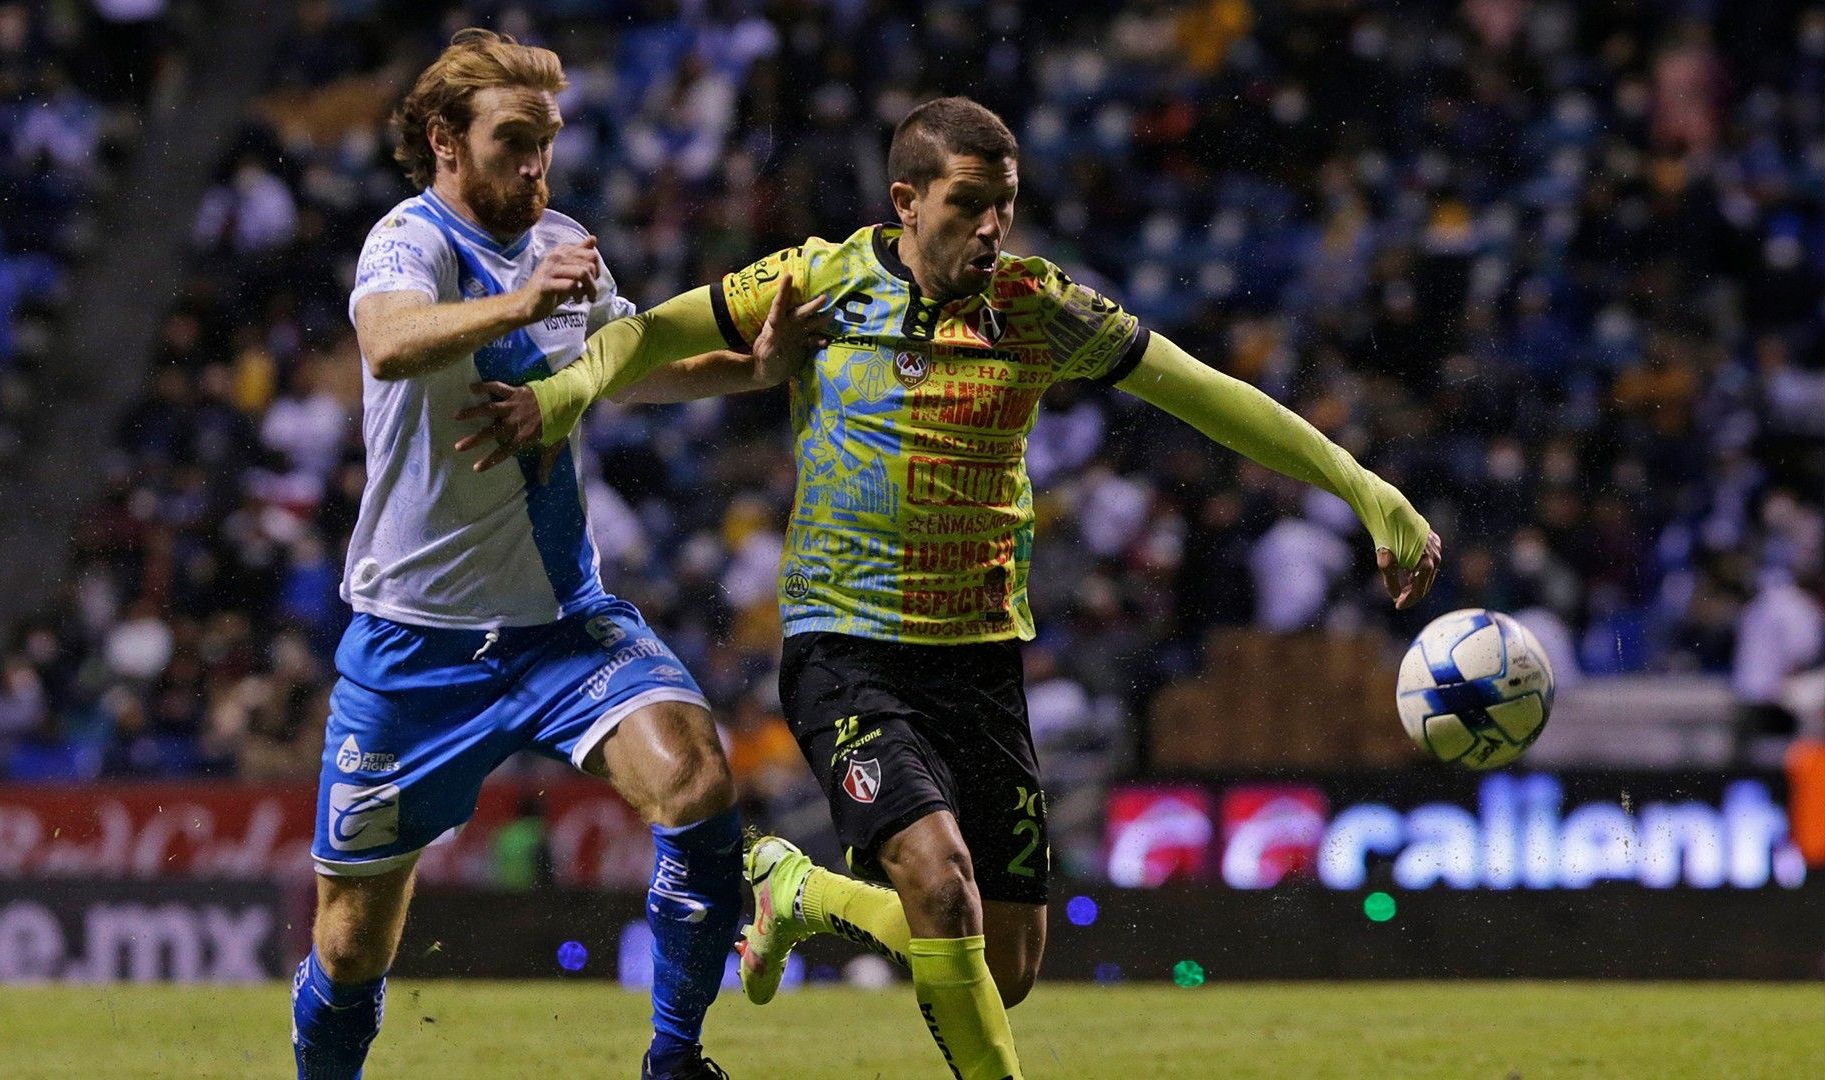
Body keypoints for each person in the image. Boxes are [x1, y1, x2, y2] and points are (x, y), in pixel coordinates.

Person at [459, 97, 1442, 1079]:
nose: (989, 227)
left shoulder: (1037, 307)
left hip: (978, 661)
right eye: (967, 204)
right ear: (906, 202)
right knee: (942, 885)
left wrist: (1364, 488)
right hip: (847, 651)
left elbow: (1206, 393)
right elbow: (647, 338)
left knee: (999, 964)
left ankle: (800, 895)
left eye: (1003, 206)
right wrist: (559, 396)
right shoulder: (825, 280)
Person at [290, 30, 825, 1080]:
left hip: (563, 627)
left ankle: (675, 1060)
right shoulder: (409, 241)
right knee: (352, 944)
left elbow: (623, 369)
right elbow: (390, 343)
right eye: (513, 141)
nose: (536, 166)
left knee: (699, 782)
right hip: (414, 650)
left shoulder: (566, 240)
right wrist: (523, 304)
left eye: (547, 143)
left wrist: (751, 370)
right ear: (446, 140)